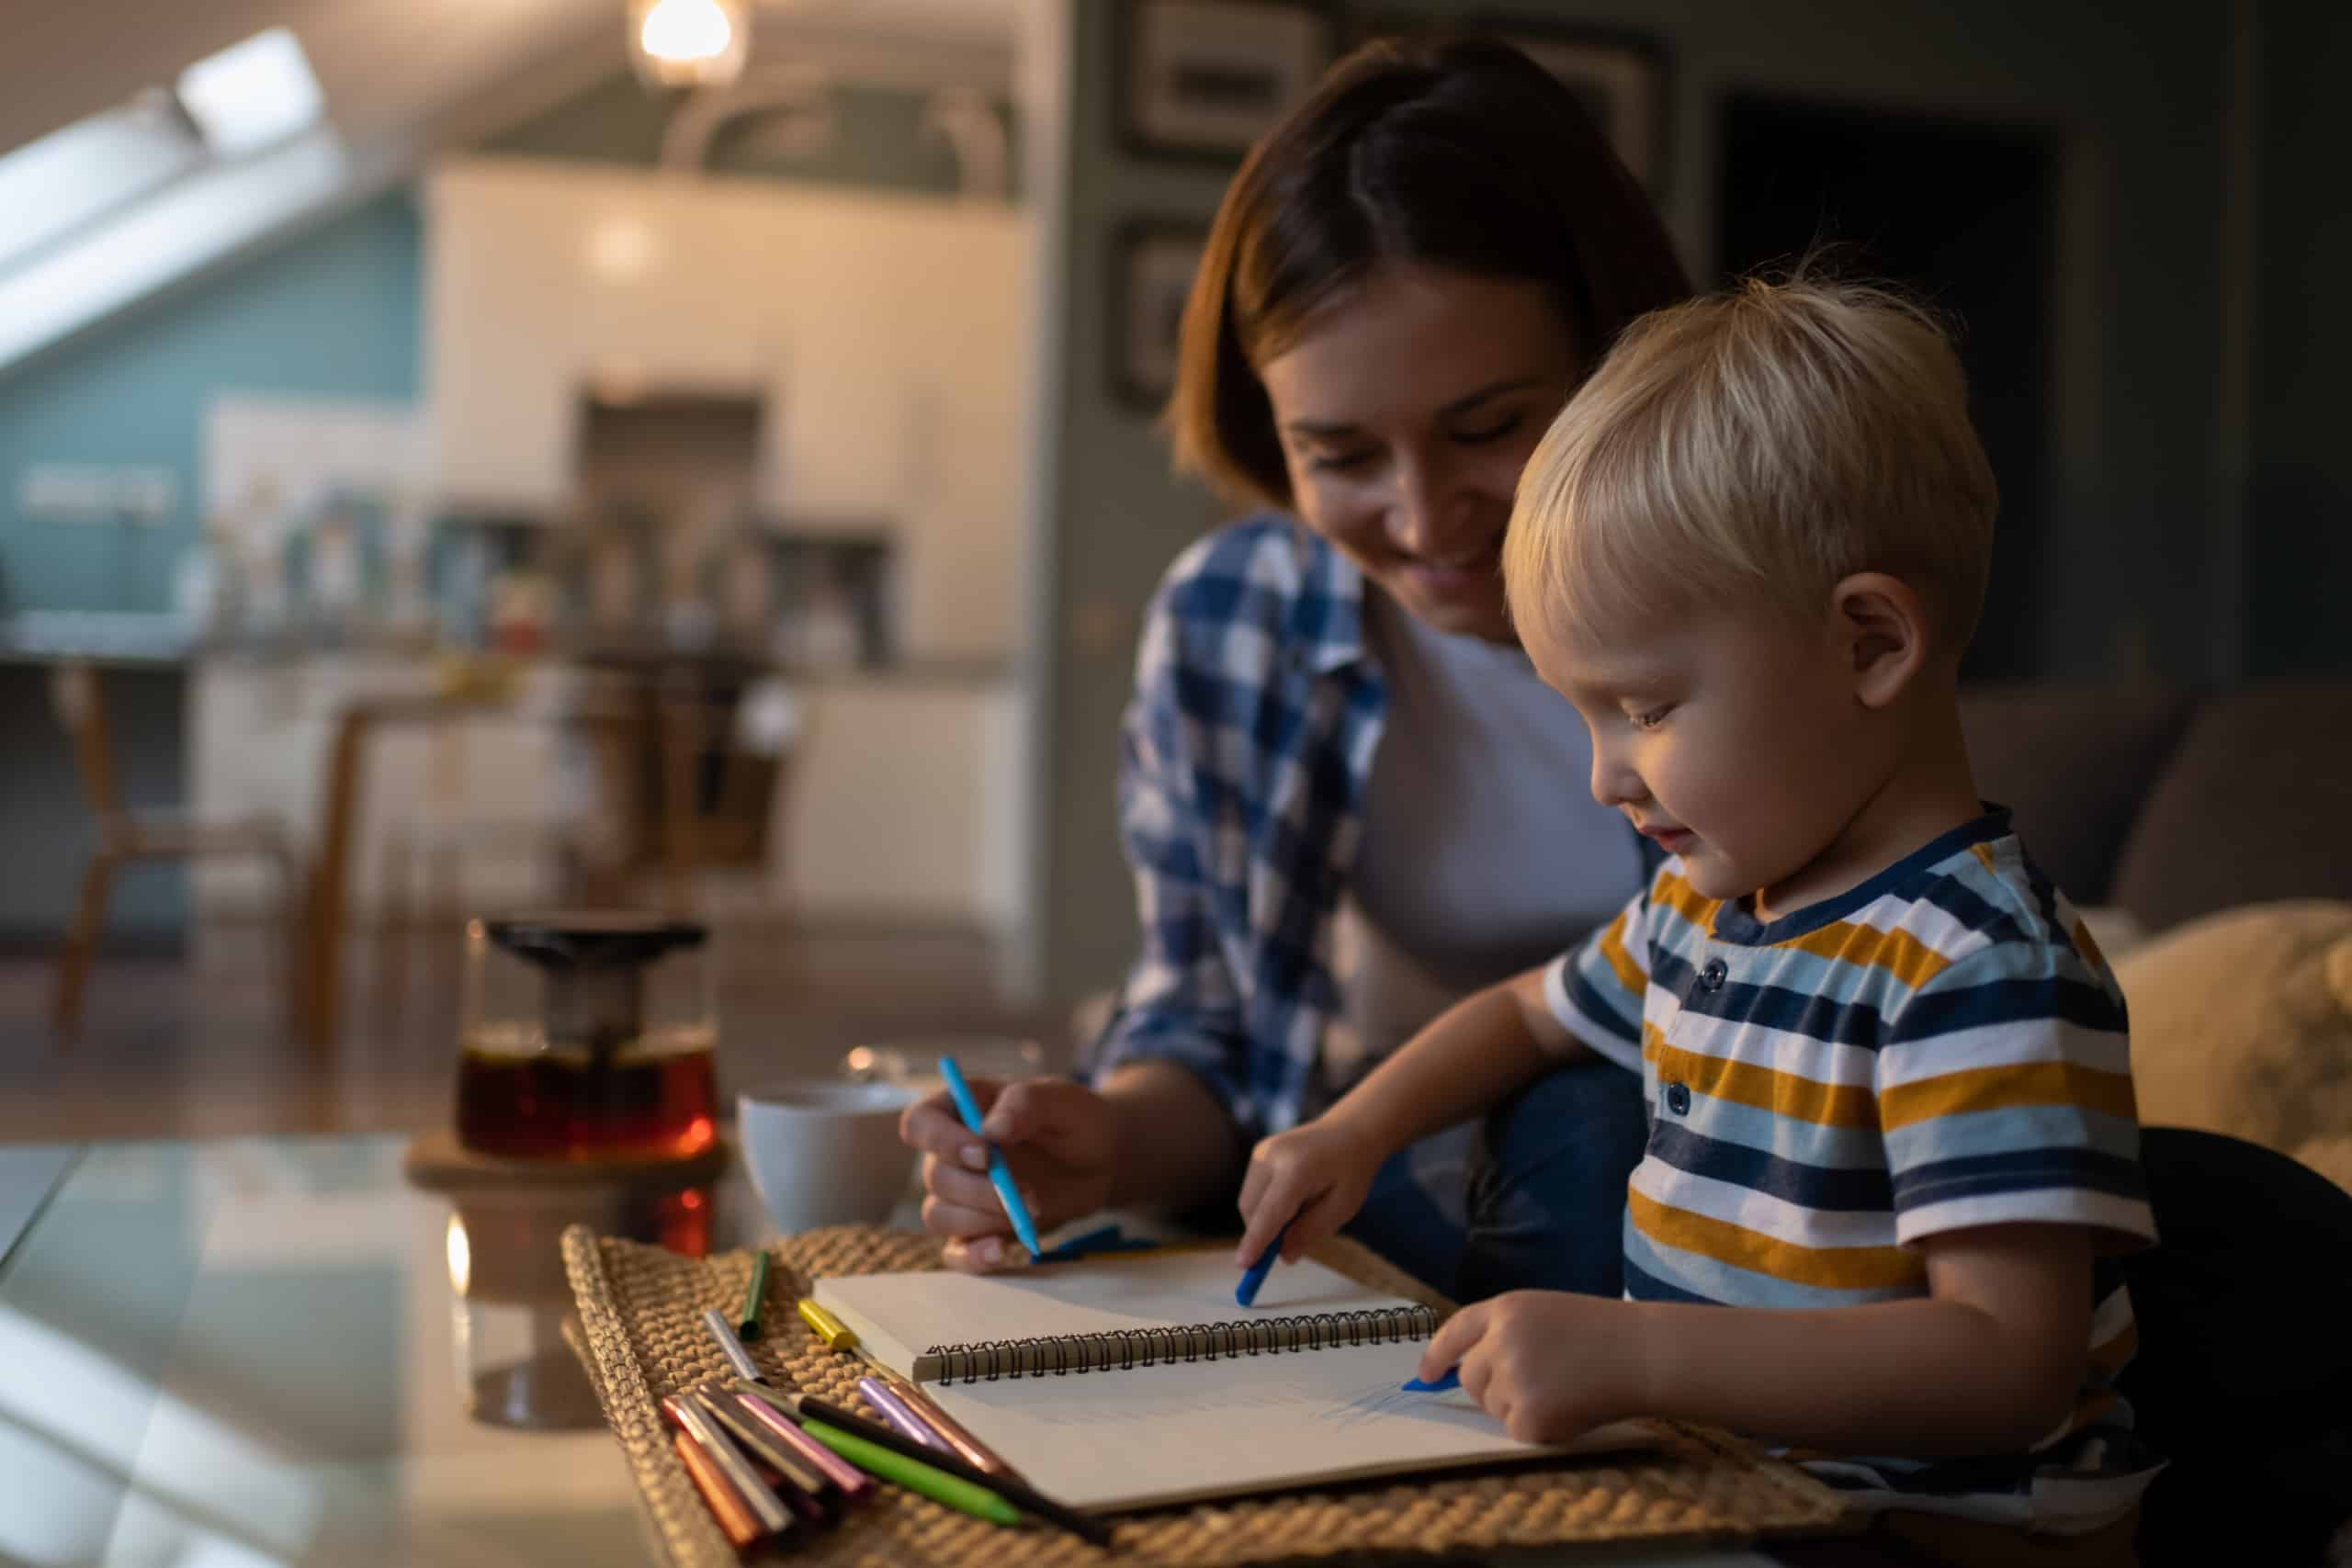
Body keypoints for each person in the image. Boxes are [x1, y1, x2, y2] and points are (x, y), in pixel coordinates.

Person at [1235, 276, 2160, 1561]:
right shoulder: (1706, 906)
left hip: (1926, 1532)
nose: (1604, 776)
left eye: (1648, 710)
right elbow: (1527, 1012)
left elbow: (2009, 1366)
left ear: (1870, 644)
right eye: (1583, 715)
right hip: (1733, 1487)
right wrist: (1353, 1129)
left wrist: (1645, 1352)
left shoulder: (1976, 968)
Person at [898, 34, 1691, 1295]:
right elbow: (1214, 1046)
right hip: (1372, 1161)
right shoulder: (1235, 626)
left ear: (1612, 354)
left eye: (1488, 427)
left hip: (1714, 1169)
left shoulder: (1740, 600)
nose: (1428, 526)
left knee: (1595, 1140)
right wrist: (1106, 1147)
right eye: (1342, 457)